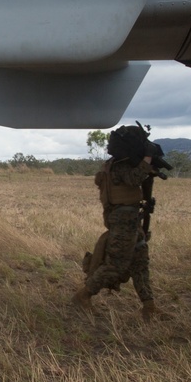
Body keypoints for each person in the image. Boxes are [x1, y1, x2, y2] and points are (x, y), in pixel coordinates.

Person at [72, 132, 164, 321]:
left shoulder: (116, 164)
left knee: (140, 263)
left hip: (130, 220)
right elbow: (135, 179)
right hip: (123, 221)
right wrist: (147, 158)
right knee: (116, 265)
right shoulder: (120, 166)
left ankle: (149, 307)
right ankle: (83, 295)